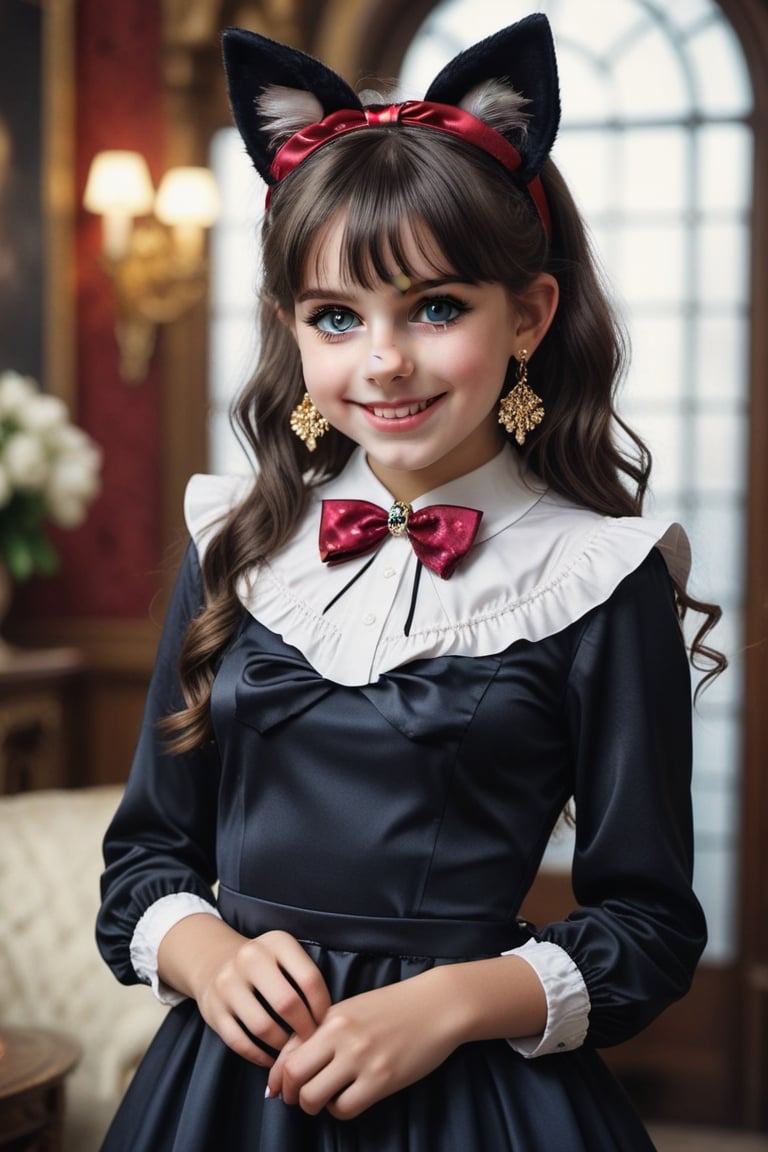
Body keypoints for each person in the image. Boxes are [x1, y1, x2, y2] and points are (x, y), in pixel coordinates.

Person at [96, 14, 724, 1151]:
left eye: (435, 308)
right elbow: (146, 858)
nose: (383, 360)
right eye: (337, 317)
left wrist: (447, 1003)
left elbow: (649, 926)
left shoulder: (596, 576)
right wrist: (211, 957)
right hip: (229, 1089)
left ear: (526, 315)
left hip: (475, 1100)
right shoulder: (234, 543)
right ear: (291, 330)